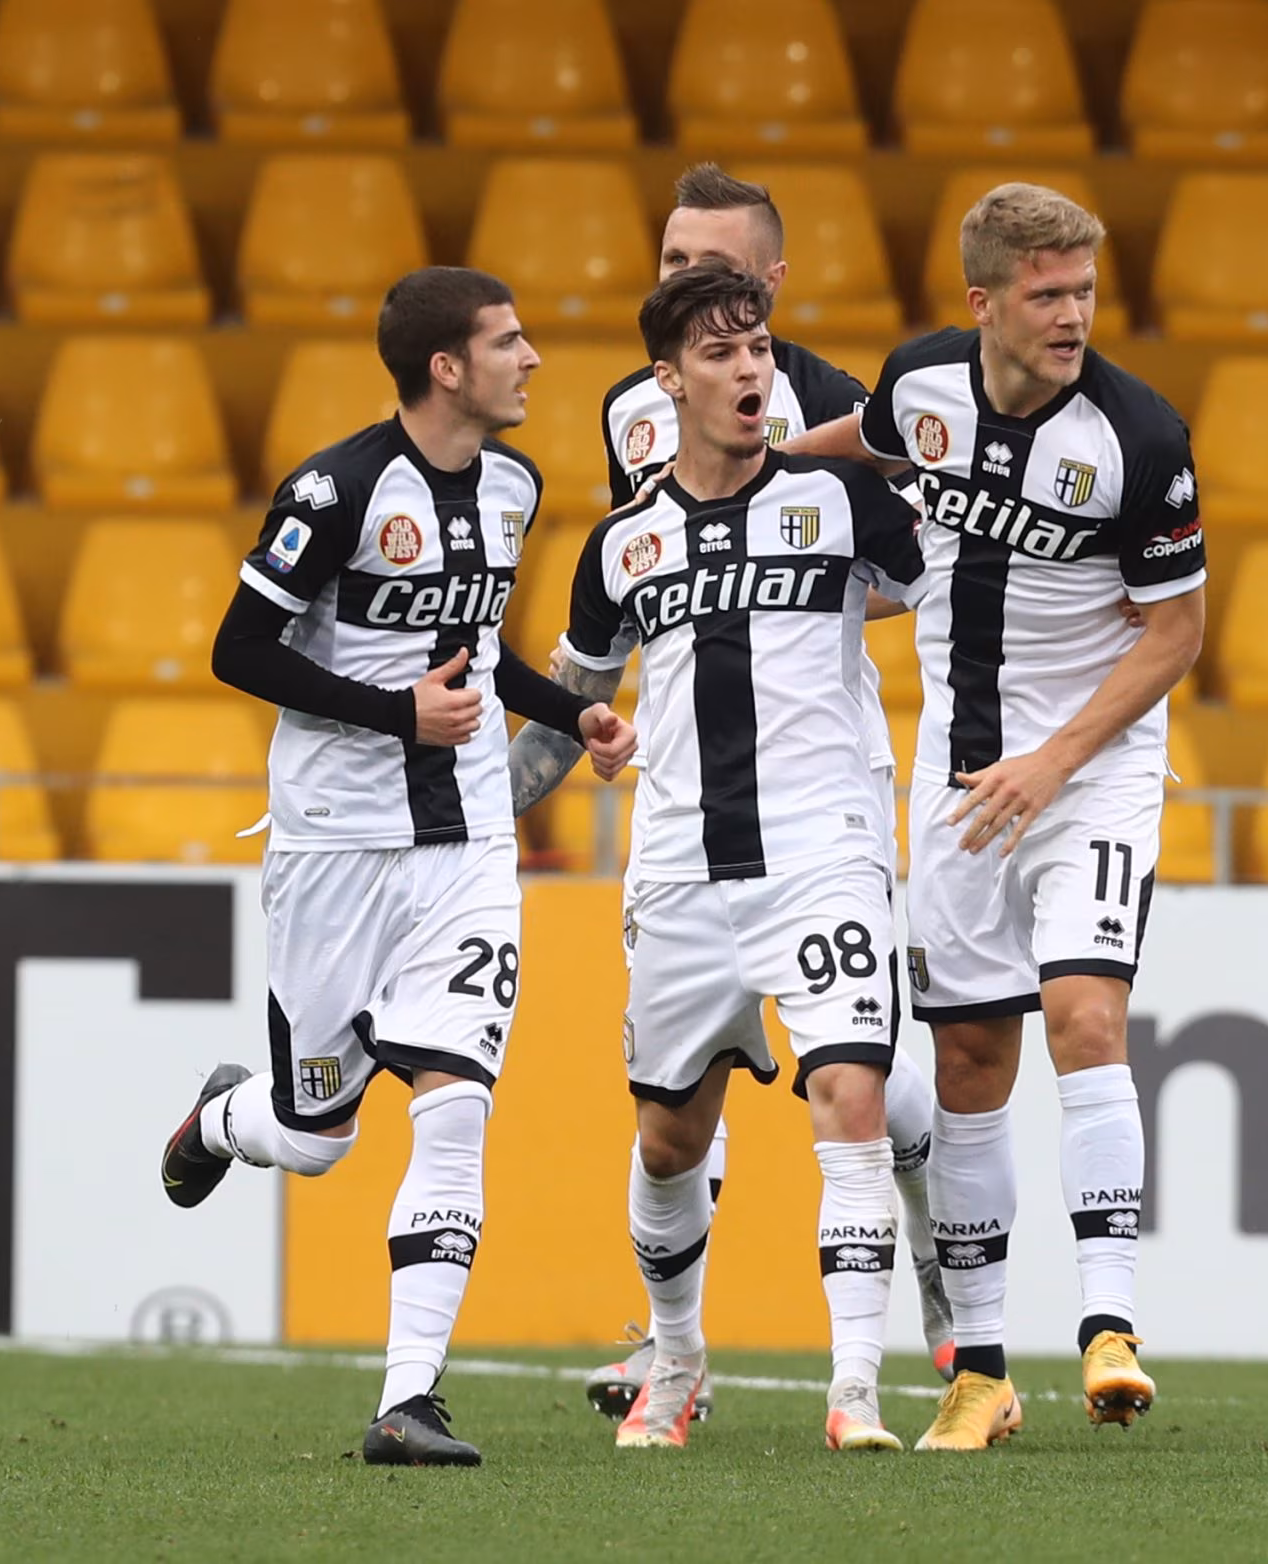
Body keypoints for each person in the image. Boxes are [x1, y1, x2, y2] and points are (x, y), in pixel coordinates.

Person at [157, 267, 635, 1467]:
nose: (532, 359)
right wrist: (391, 715)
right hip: (332, 844)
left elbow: (469, 650)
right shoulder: (338, 490)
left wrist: (565, 713)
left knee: (456, 1105)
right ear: (446, 368)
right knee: (317, 1138)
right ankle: (226, 1118)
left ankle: (406, 1400)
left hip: (466, 843)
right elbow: (236, 648)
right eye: (508, 341)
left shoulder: (517, 486)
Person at [781, 183, 1205, 1450]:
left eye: (1082, 291)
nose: (1073, 314)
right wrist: (748, 471)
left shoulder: (1140, 436)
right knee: (968, 1062)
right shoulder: (921, 384)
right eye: (1046, 293)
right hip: (960, 777)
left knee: (1083, 1012)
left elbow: (1177, 632)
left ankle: (1110, 1325)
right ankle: (976, 1368)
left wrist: (1056, 758)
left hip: (1094, 768)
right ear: (984, 304)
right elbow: (870, 437)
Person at [506, 260, 928, 1452]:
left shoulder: (843, 501)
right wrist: (507, 797)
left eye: (758, 348)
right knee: (668, 1139)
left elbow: (931, 594)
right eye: (719, 354)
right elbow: (579, 696)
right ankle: (678, 1357)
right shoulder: (621, 545)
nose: (748, 370)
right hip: (682, 867)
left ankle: (854, 1391)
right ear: (667, 381)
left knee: (847, 1093)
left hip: (824, 850)